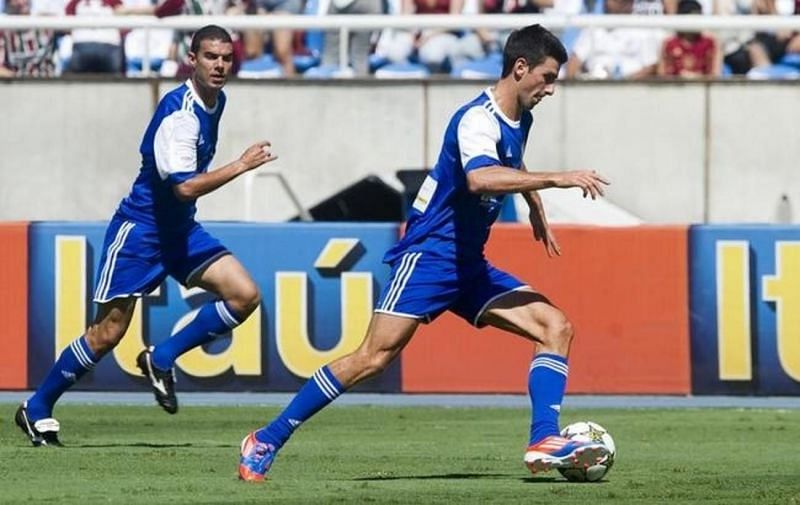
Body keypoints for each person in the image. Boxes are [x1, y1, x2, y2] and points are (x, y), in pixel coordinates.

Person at [238, 24, 610, 482]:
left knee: (557, 326)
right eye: (547, 77)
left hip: (468, 264)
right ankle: (266, 438)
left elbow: (510, 162)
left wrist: (533, 205)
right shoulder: (476, 118)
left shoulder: (520, 119)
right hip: (430, 257)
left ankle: (542, 440)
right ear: (520, 68)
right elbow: (480, 178)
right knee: (372, 358)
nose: (551, 88)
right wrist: (556, 180)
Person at [15, 25, 278, 447]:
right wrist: (241, 165)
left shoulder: (216, 101)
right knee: (106, 334)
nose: (220, 65)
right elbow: (183, 187)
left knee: (244, 295)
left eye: (226, 58)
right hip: (142, 232)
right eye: (211, 56)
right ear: (191, 59)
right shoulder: (181, 115)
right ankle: (37, 407)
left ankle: (162, 357)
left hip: (180, 230)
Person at [658, 0, 721, 78]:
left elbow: (714, 75)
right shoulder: (670, 43)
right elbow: (663, 75)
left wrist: (696, 78)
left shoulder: (710, 42)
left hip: (703, 88)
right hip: (674, 88)